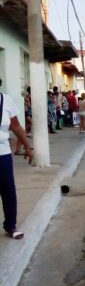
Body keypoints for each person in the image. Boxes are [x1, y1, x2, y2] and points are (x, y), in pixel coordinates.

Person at [1, 80, 33, 239]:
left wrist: (27, 146)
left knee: (8, 190)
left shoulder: (6, 101)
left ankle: (10, 226)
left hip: (3, 154)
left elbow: (16, 126)